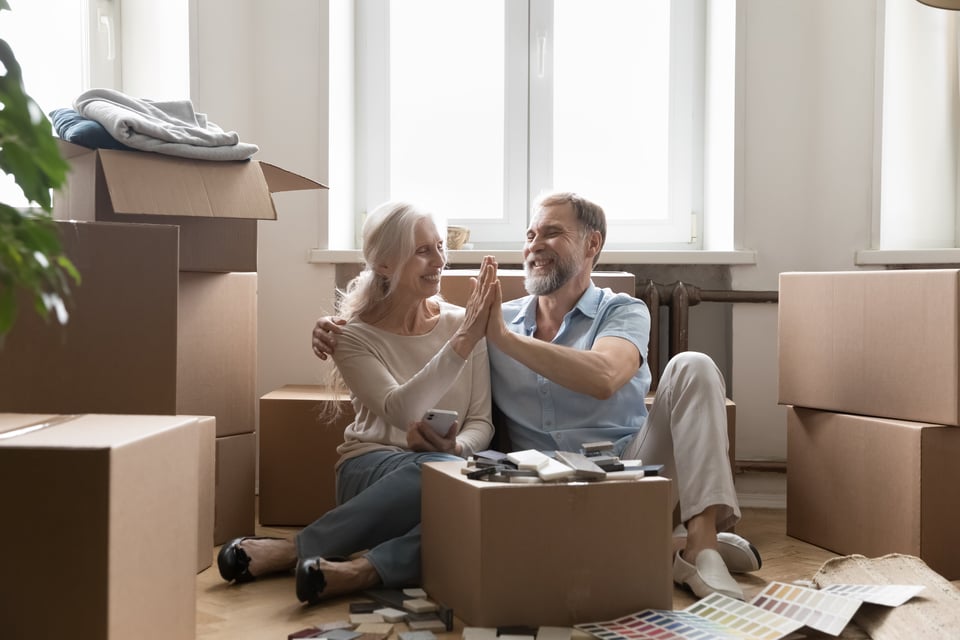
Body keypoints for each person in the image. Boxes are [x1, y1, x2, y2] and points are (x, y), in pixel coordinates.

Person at [314, 192, 761, 601]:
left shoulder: (620, 310)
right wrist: (337, 326)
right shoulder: (496, 319)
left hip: (633, 475)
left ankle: (702, 549)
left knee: (694, 364)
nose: (535, 244)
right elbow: (425, 351)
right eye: (530, 234)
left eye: (552, 232)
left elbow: (606, 375)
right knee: (480, 514)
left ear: (592, 245)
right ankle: (673, 547)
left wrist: (504, 340)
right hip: (541, 493)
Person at [218, 201, 497, 604]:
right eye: (422, 251)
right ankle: (297, 549)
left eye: (439, 247)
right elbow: (402, 412)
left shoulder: (462, 324)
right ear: (384, 264)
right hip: (370, 472)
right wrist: (464, 342)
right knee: (443, 476)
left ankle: (359, 570)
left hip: (446, 469)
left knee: (478, 508)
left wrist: (456, 448)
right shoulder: (352, 336)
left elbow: (481, 422)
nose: (439, 261)